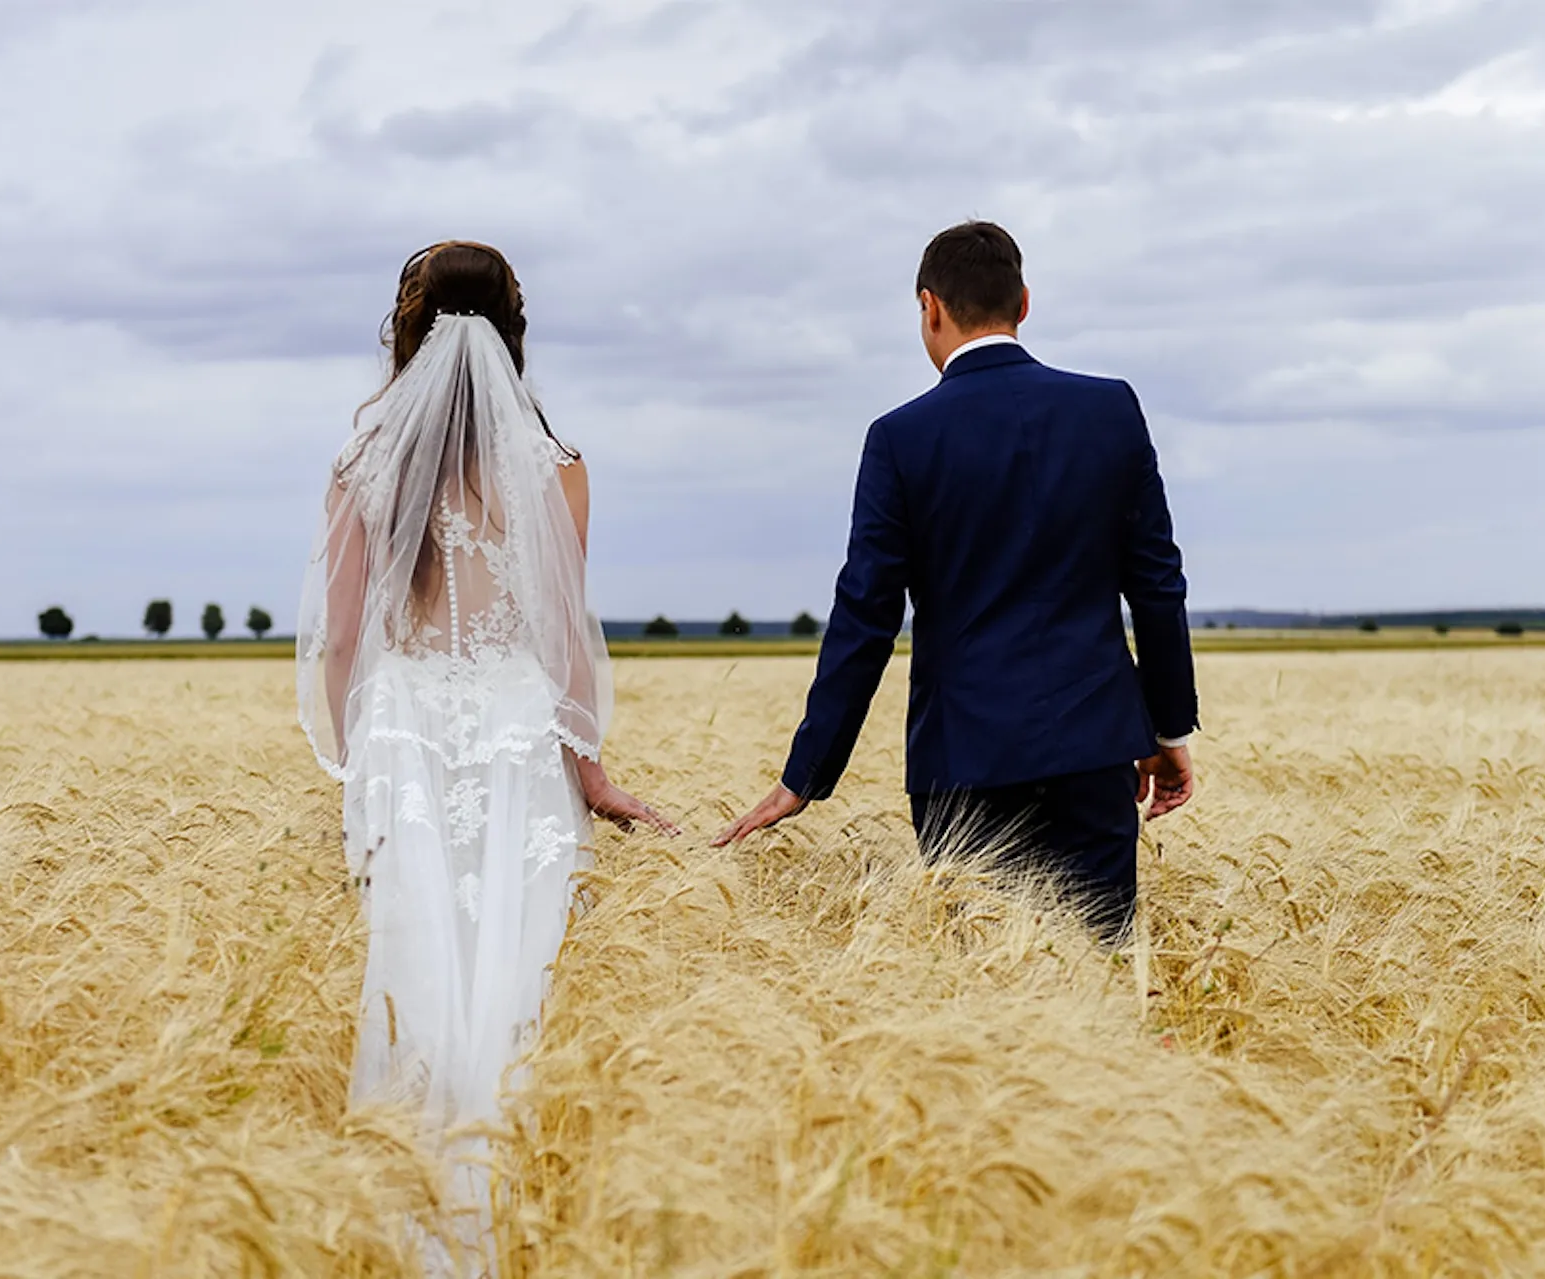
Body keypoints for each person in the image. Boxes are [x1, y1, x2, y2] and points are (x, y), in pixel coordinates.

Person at [296, 241, 674, 1273]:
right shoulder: (556, 466)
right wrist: (590, 770)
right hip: (519, 740)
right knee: (525, 976)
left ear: (407, 330)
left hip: (406, 737)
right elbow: (563, 636)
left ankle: (409, 1224)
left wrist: (352, 765)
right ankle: (520, 1225)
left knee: (411, 970)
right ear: (514, 331)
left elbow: (336, 641)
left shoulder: (361, 465)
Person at [714, 221, 1198, 942]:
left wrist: (805, 773)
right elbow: (1157, 585)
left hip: (963, 762)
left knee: (978, 1004)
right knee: (1102, 979)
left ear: (929, 307)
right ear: (1025, 303)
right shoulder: (1110, 409)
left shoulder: (900, 438)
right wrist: (1164, 728)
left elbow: (865, 616)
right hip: (1093, 750)